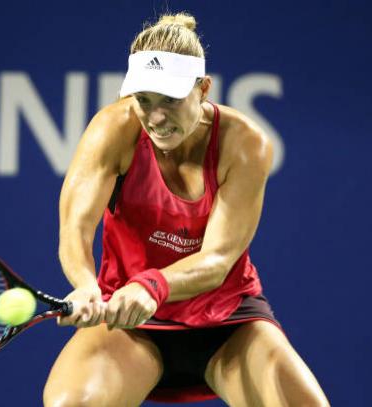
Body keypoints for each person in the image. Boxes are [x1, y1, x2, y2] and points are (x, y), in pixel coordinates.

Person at [43, 12, 330, 407]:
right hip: (131, 323)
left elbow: (215, 261)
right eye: (143, 100)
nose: (155, 117)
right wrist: (86, 284)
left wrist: (152, 285)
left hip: (226, 323)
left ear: (204, 89)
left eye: (170, 100)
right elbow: (75, 229)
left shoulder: (246, 144)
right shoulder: (112, 130)